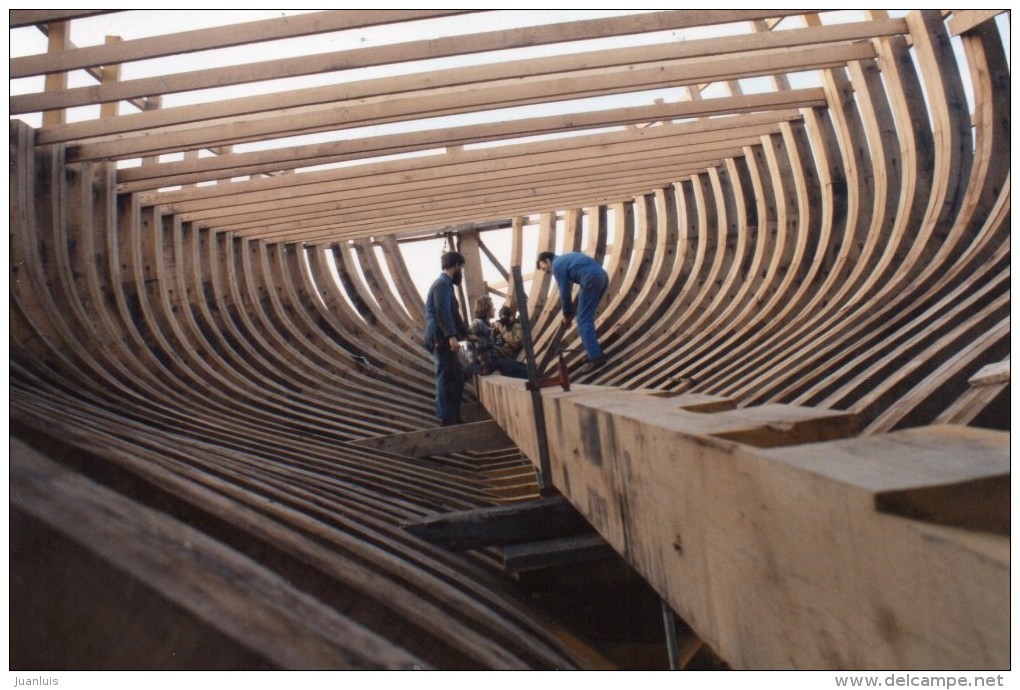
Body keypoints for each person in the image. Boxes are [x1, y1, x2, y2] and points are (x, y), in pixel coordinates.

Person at [536, 251, 609, 373]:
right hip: (602, 276)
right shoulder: (566, 257)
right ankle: (594, 351)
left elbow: (564, 291)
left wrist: (567, 315)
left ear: (547, 261)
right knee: (586, 318)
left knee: (583, 320)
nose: (546, 271)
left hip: (590, 278)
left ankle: (596, 358)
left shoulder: (556, 265)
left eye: (544, 268)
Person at [423, 251, 471, 426]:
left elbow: (454, 314)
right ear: (456, 265)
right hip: (439, 336)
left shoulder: (447, 285)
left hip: (441, 335)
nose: (462, 272)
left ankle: (453, 416)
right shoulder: (441, 285)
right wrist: (451, 337)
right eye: (461, 267)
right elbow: (442, 312)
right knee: (445, 374)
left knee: (457, 376)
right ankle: (446, 418)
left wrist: (465, 333)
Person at [467, 296, 528, 379]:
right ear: (486, 309)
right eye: (492, 307)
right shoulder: (478, 324)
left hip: (493, 362)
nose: (494, 309)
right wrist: (485, 368)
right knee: (520, 370)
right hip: (485, 365)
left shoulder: (483, 324)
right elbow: (478, 349)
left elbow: (487, 345)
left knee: (521, 365)